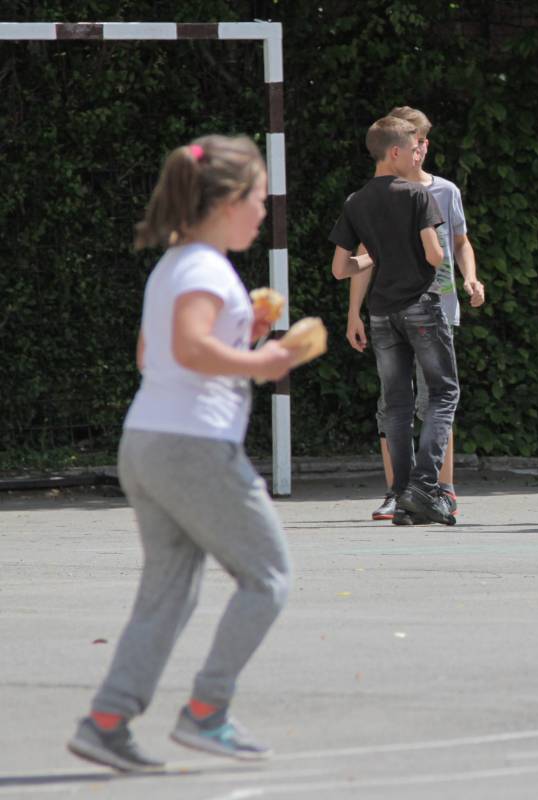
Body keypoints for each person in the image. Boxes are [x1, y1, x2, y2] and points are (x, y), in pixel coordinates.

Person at [67, 135, 296, 772]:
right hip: (193, 446)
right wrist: (263, 358)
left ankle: (108, 720)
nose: (263, 210)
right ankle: (207, 713)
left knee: (169, 592)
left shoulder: (176, 265)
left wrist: (238, 330)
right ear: (224, 201)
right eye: (257, 197)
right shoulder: (204, 267)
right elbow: (191, 350)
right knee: (269, 577)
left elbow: (154, 354)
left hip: (147, 443)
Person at [348, 106, 485, 522]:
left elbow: (460, 242)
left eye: (424, 141)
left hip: (433, 305)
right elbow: (365, 257)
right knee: (403, 402)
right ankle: (405, 491)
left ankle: (439, 487)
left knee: (430, 399)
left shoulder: (442, 191)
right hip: (404, 308)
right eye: (415, 142)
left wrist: (471, 279)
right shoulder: (385, 197)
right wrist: (353, 310)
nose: (421, 149)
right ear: (399, 149)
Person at [330, 115, 457, 526]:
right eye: (413, 147)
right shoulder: (419, 195)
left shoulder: (355, 201)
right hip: (421, 305)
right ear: (396, 152)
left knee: (396, 405)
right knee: (443, 394)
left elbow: (340, 268)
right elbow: (436, 256)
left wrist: (376, 256)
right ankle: (424, 484)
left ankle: (403, 495)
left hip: (382, 312)